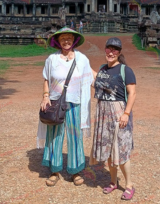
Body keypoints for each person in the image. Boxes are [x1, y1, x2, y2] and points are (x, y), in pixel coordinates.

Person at [37, 27, 94, 187]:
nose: (66, 41)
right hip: (55, 103)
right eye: (63, 39)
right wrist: (45, 96)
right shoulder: (52, 59)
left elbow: (90, 75)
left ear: (74, 40)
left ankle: (75, 170)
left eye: (69, 38)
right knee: (54, 135)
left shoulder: (82, 59)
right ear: (57, 41)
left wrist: (110, 82)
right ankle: (54, 170)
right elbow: (46, 79)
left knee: (75, 136)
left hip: (74, 103)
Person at [90, 37, 137, 200]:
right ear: (105, 50)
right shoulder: (102, 69)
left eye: (115, 50)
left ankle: (129, 185)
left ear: (119, 52)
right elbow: (96, 82)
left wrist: (126, 113)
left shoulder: (125, 70)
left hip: (119, 114)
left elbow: (132, 93)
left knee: (122, 151)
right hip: (103, 114)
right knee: (109, 151)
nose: (111, 52)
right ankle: (112, 182)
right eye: (109, 49)